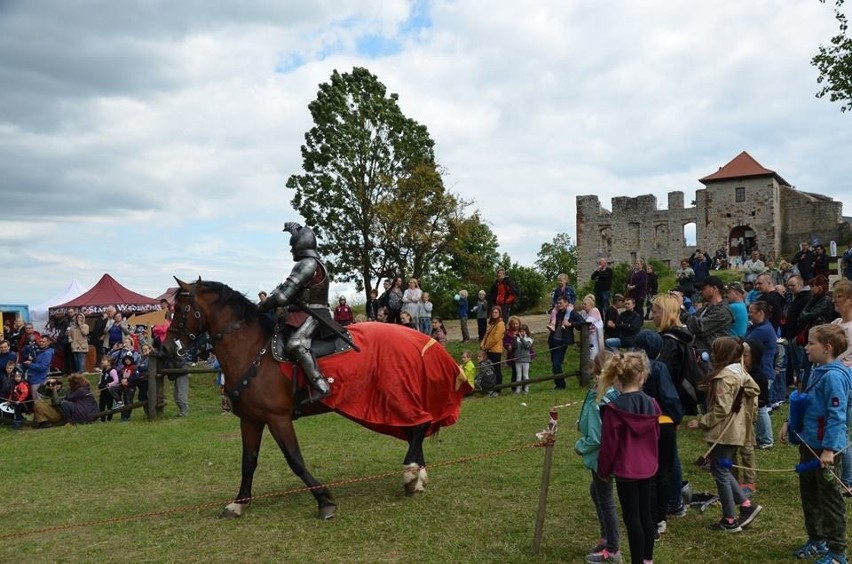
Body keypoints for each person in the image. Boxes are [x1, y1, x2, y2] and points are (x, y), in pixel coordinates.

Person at [781, 324, 852, 563]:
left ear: (827, 348)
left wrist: (830, 448)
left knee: (830, 499)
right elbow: (807, 403)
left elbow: (837, 414)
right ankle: (817, 539)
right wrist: (791, 422)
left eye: (811, 343)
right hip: (809, 445)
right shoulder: (817, 370)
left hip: (826, 451)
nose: (806, 347)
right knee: (809, 494)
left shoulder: (833, 376)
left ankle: (837, 552)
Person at [686, 337, 762, 533]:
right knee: (722, 470)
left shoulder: (724, 378)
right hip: (737, 429)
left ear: (722, 355)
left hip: (726, 432)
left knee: (720, 472)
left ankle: (729, 519)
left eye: (715, 351)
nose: (711, 354)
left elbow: (722, 409)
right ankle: (746, 506)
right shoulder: (740, 372)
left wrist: (702, 422)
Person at [597, 351, 661, 564]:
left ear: (617, 377)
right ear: (641, 377)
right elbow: (656, 436)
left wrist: (603, 471)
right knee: (645, 515)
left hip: (626, 469)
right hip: (648, 466)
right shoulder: (652, 404)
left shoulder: (612, 410)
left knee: (632, 517)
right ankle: (647, 559)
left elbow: (609, 446)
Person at [258, 222, 334, 400]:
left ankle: (321, 386)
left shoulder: (307, 264)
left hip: (313, 315)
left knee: (296, 344)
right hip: (302, 314)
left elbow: (283, 297)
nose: (291, 250)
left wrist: (261, 307)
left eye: (292, 246)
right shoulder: (314, 263)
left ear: (300, 245)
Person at [632, 330, 684, 541]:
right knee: (662, 471)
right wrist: (677, 418)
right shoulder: (658, 368)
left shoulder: (631, 367)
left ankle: (649, 516)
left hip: (639, 424)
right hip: (661, 424)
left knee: (647, 473)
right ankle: (658, 517)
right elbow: (669, 397)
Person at [575, 351, 621, 564]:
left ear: (595, 372)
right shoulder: (617, 393)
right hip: (615, 454)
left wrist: (580, 446)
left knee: (606, 500)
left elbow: (596, 437)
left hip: (603, 457)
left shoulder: (600, 399)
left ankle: (612, 549)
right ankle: (606, 537)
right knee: (597, 492)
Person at [829, 279, 852, 491]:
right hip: (834, 378)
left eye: (840, 297)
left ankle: (848, 479)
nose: (835, 300)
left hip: (847, 381)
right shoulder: (836, 323)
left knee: (842, 428)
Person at [679, 276, 733, 357]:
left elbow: (700, 327)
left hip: (711, 357)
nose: (701, 292)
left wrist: (680, 308)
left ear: (714, 288)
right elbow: (691, 323)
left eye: (704, 288)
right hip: (700, 354)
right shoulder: (705, 308)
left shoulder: (723, 311)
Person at [549, 296, 586, 390]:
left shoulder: (571, 312)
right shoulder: (556, 312)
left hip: (562, 342)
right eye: (558, 303)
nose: (558, 305)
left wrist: (571, 324)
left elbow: (582, 322)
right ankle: (558, 384)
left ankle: (561, 385)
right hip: (553, 340)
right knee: (554, 364)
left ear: (566, 303)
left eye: (561, 303)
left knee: (557, 363)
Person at [480, 306, 506, 397]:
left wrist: (486, 346)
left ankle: (498, 389)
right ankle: (490, 387)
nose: (494, 314)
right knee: (489, 369)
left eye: (496, 312)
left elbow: (495, 338)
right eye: (493, 312)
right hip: (488, 349)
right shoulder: (491, 323)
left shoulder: (500, 324)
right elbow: (486, 335)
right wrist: (482, 344)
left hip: (495, 350)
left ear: (499, 313)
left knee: (496, 369)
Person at [21, 335, 54, 402]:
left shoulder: (47, 353)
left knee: (38, 402)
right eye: (40, 341)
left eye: (43, 342)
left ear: (48, 342)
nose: (41, 343)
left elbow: (42, 367)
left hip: (38, 381)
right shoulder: (39, 351)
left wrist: (30, 364)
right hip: (33, 378)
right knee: (35, 400)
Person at [579, 294, 605, 362]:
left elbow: (586, 323)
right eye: (583, 304)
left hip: (596, 338)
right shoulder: (584, 312)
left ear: (591, 305)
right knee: (588, 356)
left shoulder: (594, 310)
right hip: (588, 337)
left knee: (594, 357)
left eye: (585, 304)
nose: (583, 306)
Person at [513, 324, 534, 395]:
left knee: (525, 375)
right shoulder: (516, 338)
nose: (522, 333)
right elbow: (514, 347)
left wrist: (522, 338)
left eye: (523, 331)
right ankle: (517, 390)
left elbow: (527, 346)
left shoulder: (529, 339)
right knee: (518, 376)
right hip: (518, 360)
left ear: (526, 331)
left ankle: (526, 390)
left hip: (526, 360)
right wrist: (514, 338)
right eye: (520, 331)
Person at [97, 356, 119, 422]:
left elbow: (116, 381)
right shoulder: (103, 370)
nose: (102, 362)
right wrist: (99, 384)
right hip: (103, 390)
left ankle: (109, 418)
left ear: (109, 362)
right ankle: (102, 419)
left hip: (109, 390)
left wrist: (109, 384)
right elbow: (101, 378)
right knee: (101, 405)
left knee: (109, 405)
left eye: (104, 360)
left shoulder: (113, 371)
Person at [503, 316, 521, 392]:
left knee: (523, 372)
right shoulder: (508, 333)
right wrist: (508, 346)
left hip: (522, 354)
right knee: (515, 372)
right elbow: (505, 342)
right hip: (513, 355)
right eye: (513, 324)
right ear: (510, 325)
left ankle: (523, 387)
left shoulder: (522, 331)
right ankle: (514, 388)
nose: (515, 325)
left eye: (516, 324)